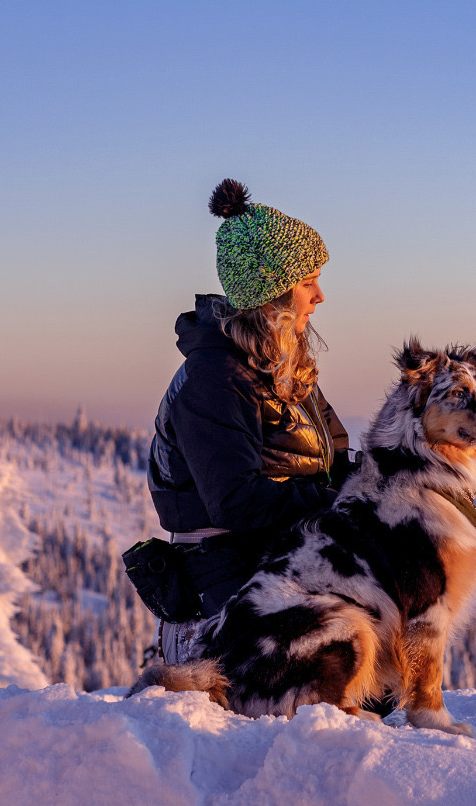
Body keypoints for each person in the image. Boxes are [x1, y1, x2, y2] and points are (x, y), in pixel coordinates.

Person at [144, 179, 353, 664]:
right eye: (307, 281)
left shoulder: (282, 368)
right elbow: (234, 503)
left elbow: (333, 457)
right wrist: (336, 503)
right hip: (224, 598)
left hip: (274, 568)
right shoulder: (215, 379)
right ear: (272, 294)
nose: (319, 295)